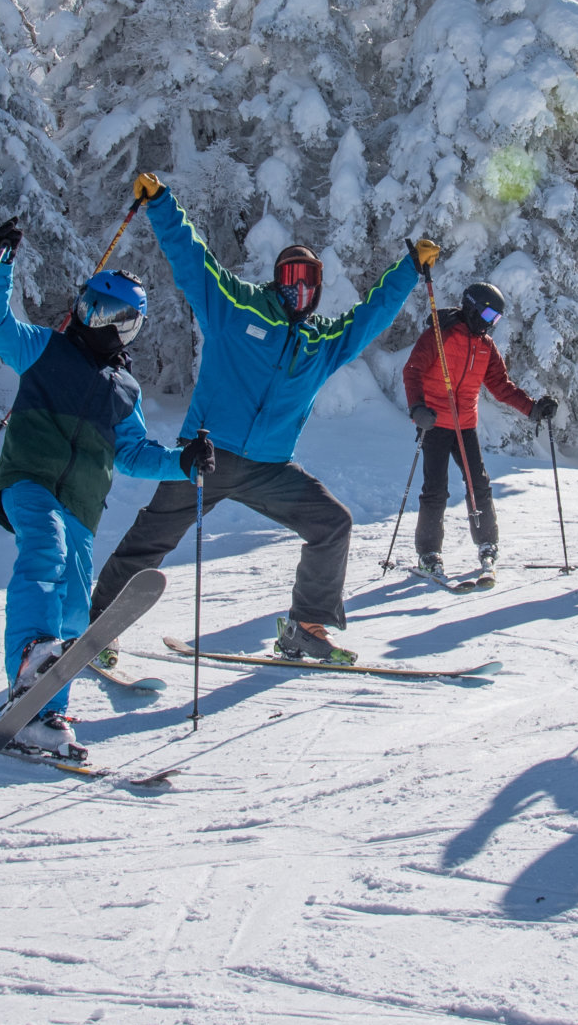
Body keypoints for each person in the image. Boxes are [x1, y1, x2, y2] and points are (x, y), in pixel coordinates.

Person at [91, 173, 427, 663]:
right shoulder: (235, 306)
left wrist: (410, 268)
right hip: (204, 457)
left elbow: (371, 314)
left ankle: (307, 627)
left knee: (332, 523)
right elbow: (192, 258)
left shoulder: (321, 344)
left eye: (309, 281)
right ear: (277, 280)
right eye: (291, 278)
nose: (299, 290)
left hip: (270, 467)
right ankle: (99, 623)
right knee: (150, 539)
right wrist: (161, 202)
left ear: (316, 290)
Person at [0, 218, 208, 762]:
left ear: (131, 331)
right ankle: (26, 683)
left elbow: (134, 454)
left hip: (80, 507)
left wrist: (183, 462)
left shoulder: (124, 390)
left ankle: (46, 713)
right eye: (93, 308)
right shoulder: (45, 350)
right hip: (28, 482)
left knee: (75, 610)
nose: (98, 324)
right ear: (79, 306)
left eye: (117, 320)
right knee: (43, 553)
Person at [402, 279, 556, 585]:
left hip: (465, 424)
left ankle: (487, 543)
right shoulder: (440, 335)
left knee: (479, 485)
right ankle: (429, 553)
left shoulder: (485, 347)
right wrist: (417, 408)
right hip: (434, 423)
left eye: (495, 321)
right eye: (487, 317)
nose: (489, 326)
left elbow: (501, 386)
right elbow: (413, 370)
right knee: (436, 490)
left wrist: (532, 408)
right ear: (471, 308)